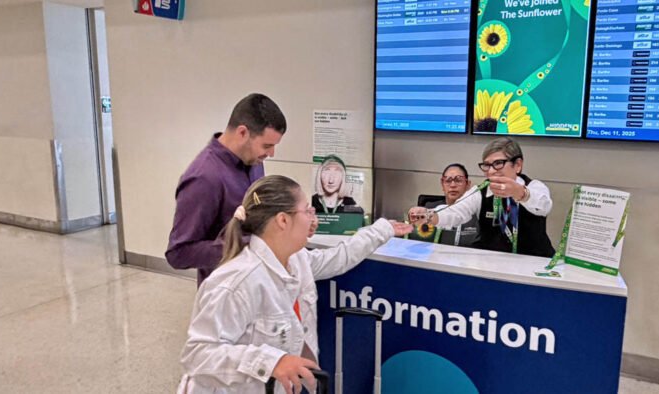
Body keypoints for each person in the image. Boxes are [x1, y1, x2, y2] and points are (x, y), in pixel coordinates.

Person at [177, 175, 413, 394]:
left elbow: (340, 257)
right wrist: (271, 362)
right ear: (283, 220)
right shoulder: (237, 282)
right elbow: (197, 355)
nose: (313, 218)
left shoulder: (296, 259)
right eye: (307, 210)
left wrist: (383, 229)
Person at [166, 93, 287, 285]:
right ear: (242, 133)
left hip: (256, 283)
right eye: (267, 145)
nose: (271, 153)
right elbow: (178, 253)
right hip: (225, 294)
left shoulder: (254, 160)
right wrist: (244, 244)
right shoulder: (204, 177)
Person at [408, 137, 555, 258]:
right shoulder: (481, 192)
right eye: (486, 165)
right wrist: (428, 216)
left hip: (535, 264)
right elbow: (456, 212)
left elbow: (544, 206)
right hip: (492, 265)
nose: (491, 171)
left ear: (517, 165)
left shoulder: (534, 187)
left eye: (498, 164)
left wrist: (520, 193)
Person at [422, 164, 480, 247]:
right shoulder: (429, 211)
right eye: (448, 180)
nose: (453, 185)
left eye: (458, 180)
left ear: (468, 185)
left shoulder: (477, 214)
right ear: (442, 184)